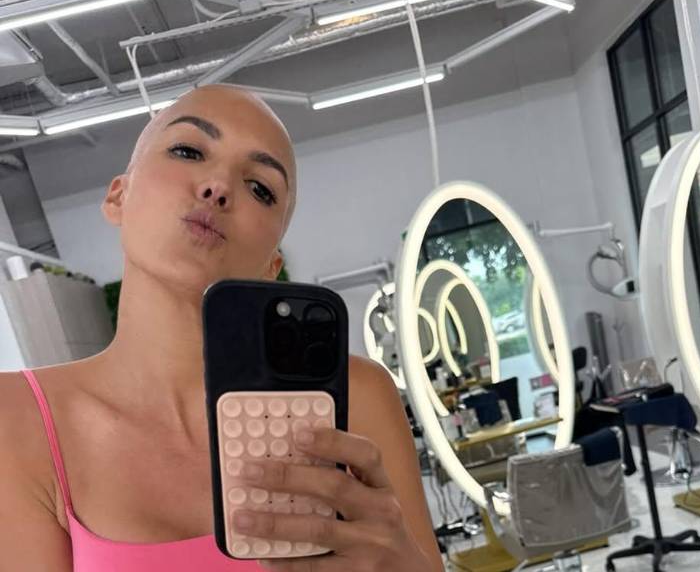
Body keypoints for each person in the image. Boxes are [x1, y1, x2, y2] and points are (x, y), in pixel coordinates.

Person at [0, 85, 442, 571]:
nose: (219, 187)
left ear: (272, 266)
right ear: (118, 196)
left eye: (261, 188)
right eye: (188, 151)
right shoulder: (15, 417)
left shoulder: (357, 398)